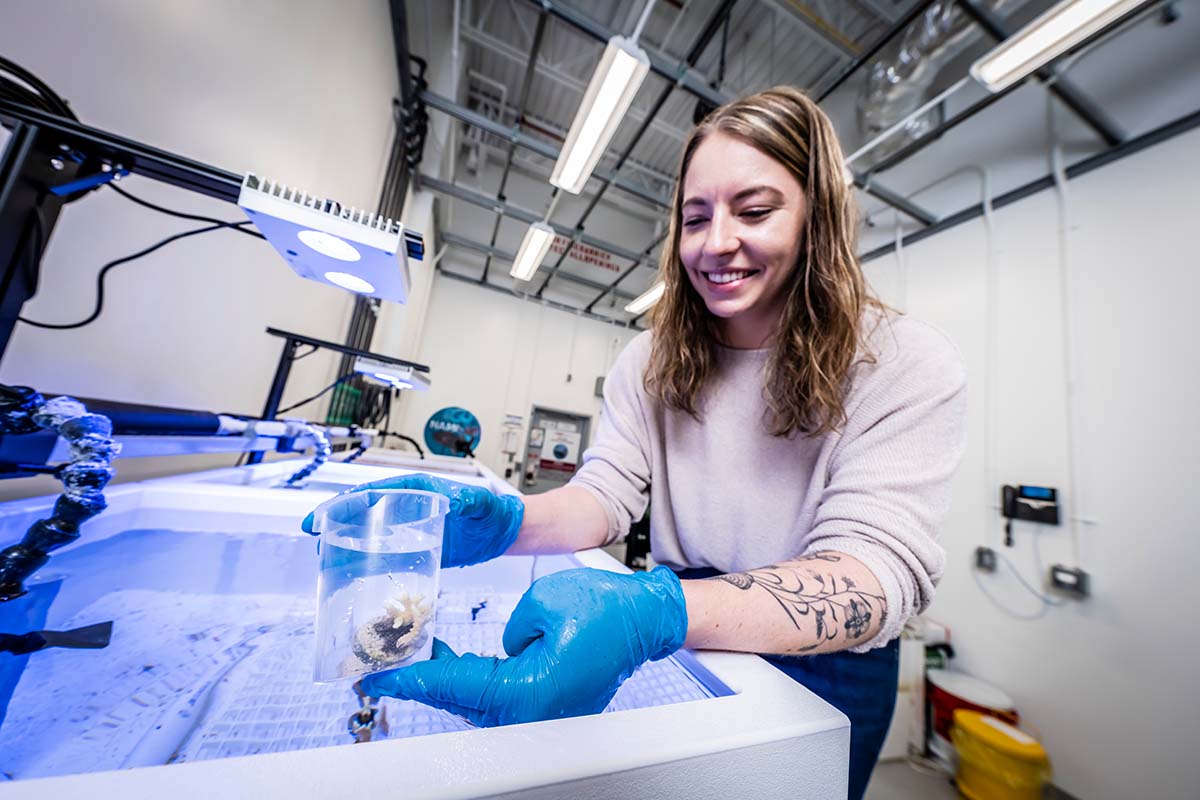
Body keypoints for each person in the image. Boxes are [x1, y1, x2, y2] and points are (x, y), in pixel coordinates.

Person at [304, 86, 966, 800]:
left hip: (828, 659)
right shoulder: (650, 361)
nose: (716, 243)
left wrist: (656, 611)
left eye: (754, 210)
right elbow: (606, 496)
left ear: (818, 220)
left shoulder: (902, 360)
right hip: (689, 624)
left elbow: (874, 574)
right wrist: (507, 522)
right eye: (695, 217)